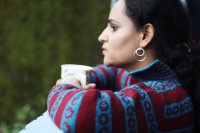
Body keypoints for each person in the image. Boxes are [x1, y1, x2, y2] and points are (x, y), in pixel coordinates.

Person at [47, 0, 200, 132]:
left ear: (145, 35)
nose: (101, 37)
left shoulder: (160, 99)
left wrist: (66, 86)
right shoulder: (157, 78)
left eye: (114, 27)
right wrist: (87, 77)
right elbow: (114, 74)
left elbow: (76, 115)